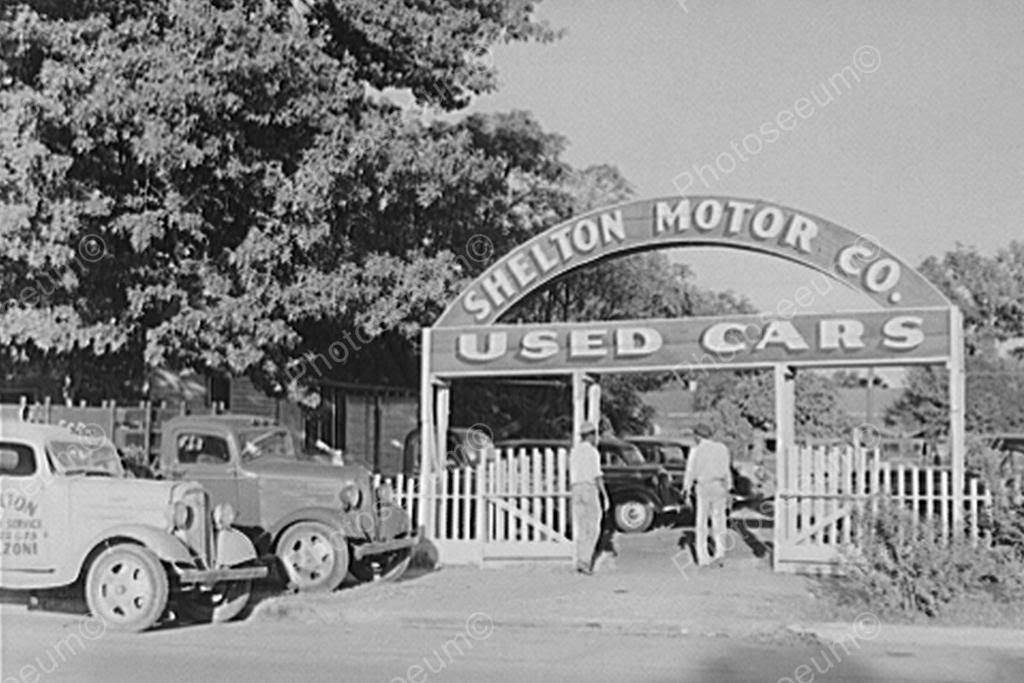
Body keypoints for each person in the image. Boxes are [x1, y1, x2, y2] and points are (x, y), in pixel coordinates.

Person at [683, 423, 732, 567]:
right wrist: (729, 488)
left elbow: (690, 471)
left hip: (703, 486)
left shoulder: (696, 450)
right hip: (719, 486)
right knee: (719, 519)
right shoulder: (722, 448)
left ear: (698, 436)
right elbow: (726, 470)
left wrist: (686, 489)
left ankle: (703, 556)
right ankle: (720, 552)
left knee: (702, 521)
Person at [569, 421, 609, 575]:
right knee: (592, 527)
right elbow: (597, 476)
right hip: (588, 488)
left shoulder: (575, 451)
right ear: (591, 435)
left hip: (576, 488)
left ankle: (580, 558)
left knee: (581, 526)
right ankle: (585, 561)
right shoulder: (592, 452)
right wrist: (605, 495)